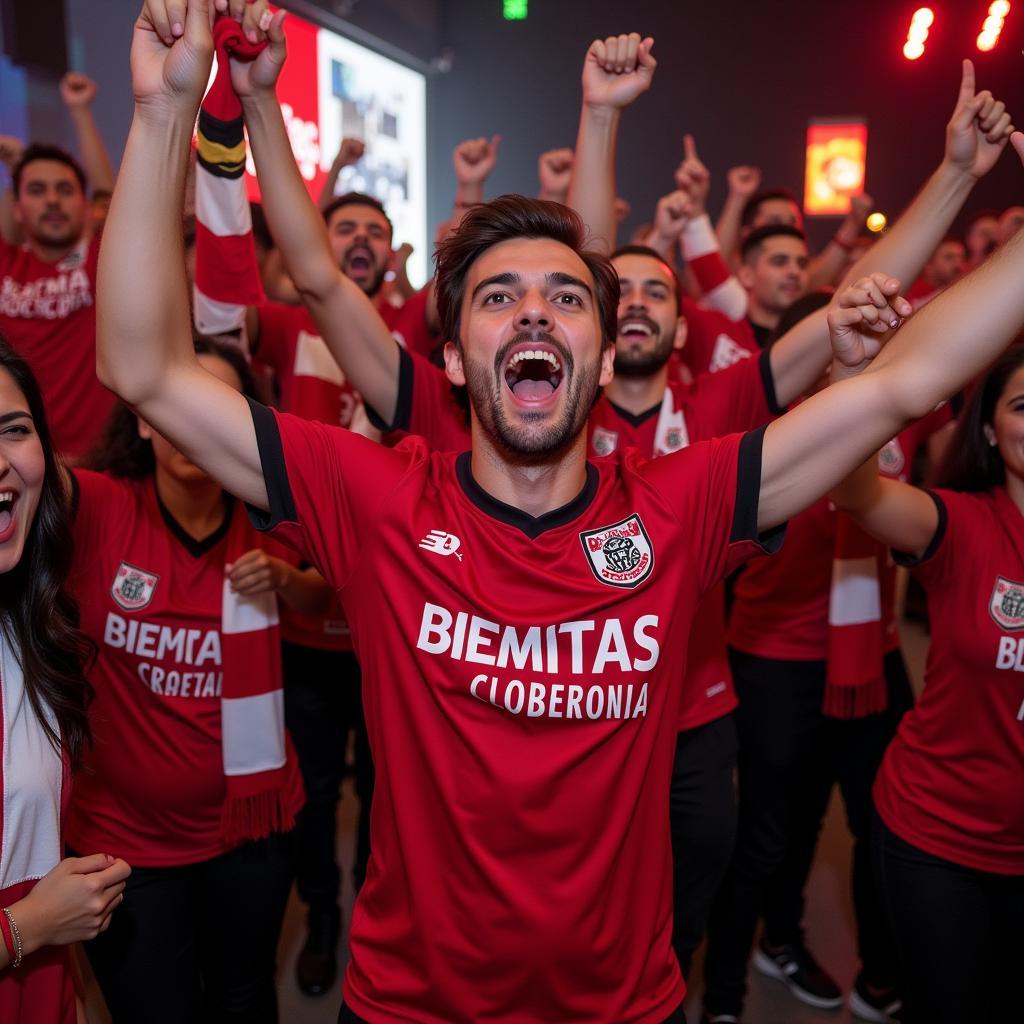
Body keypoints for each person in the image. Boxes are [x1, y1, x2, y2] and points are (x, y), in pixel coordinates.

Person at [103, 5, 1021, 1021]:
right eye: (498, 298)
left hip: (619, 1004)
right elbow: (142, 367)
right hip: (410, 1004)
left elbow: (908, 380)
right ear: (449, 358)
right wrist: (161, 109)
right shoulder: (375, 497)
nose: (535, 309)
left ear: (603, 354)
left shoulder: (683, 504)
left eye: (565, 297)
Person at [65, 336, 318, 1023]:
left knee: (242, 992)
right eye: (175, 404)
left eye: (217, 407)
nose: (193, 428)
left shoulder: (277, 517)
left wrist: (293, 583)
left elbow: (341, 597)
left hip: (253, 830)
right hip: (123, 843)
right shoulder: (96, 505)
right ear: (143, 418)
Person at [830, 347, 1024, 1024]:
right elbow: (856, 493)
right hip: (938, 837)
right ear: (991, 430)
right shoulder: (961, 523)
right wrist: (858, 384)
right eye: (1022, 405)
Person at [0, 337, 130, 1022]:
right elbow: (35, 914)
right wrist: (30, 928)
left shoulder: (31, 627)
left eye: (14, 431)